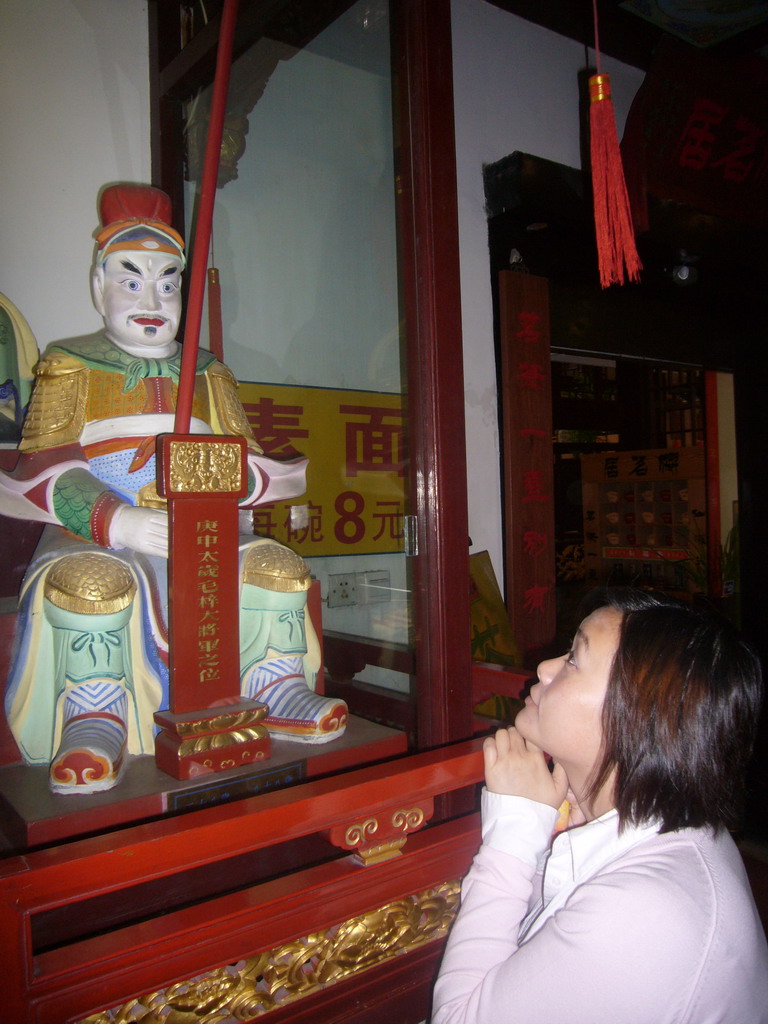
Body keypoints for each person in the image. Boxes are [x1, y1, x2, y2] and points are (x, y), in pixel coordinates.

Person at [1, 184, 347, 795]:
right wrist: (119, 520)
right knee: (93, 584)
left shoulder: (209, 370)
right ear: (97, 287)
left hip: (208, 529)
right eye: (131, 280)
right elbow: (40, 466)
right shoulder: (70, 362)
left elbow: (255, 462)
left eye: (168, 282)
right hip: (99, 535)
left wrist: (218, 485)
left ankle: (276, 684)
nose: (152, 298)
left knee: (276, 565)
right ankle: (95, 714)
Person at [432, 587, 768, 1024]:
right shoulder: (672, 824)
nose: (545, 668)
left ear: (636, 716)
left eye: (573, 660)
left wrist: (512, 837)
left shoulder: (643, 912)